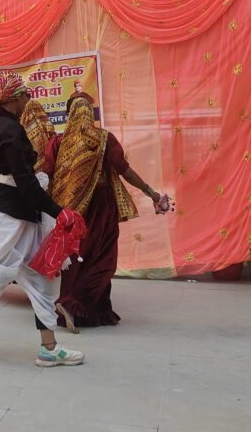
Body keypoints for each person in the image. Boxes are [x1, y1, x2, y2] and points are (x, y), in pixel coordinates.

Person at [0, 72, 85, 368]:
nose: (28, 97)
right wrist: (59, 212)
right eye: (24, 93)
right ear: (12, 98)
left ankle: (49, 348)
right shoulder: (9, 130)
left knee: (42, 279)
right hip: (7, 215)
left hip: (22, 213)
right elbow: (24, 181)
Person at [44, 93, 164, 330]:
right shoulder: (103, 139)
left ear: (69, 115)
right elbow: (124, 170)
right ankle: (72, 304)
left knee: (75, 259)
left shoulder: (58, 142)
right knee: (103, 259)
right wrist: (151, 193)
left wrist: (48, 210)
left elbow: (47, 176)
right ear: (90, 113)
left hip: (70, 212)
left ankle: (92, 311)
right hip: (100, 207)